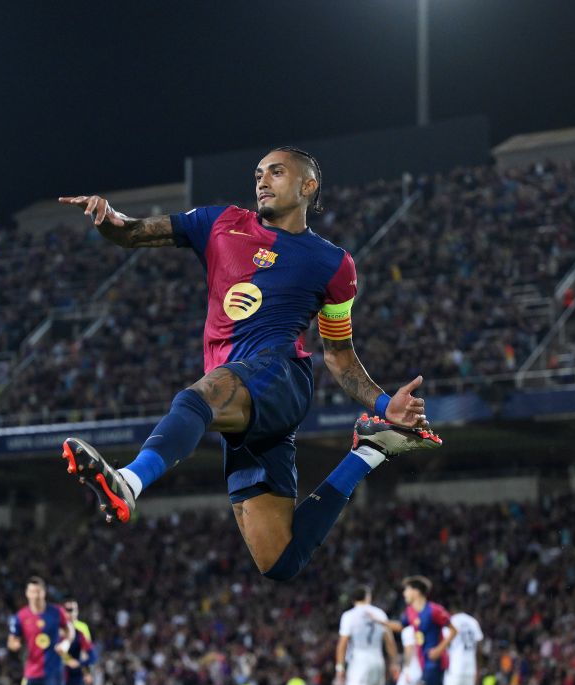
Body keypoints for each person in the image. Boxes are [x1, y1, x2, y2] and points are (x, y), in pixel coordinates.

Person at [57, 147, 441, 582]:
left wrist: (385, 402)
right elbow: (132, 233)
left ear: (308, 186)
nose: (262, 181)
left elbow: (338, 354)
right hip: (241, 401)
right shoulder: (219, 223)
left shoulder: (334, 264)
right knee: (278, 560)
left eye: (276, 172)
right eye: (258, 174)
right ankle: (370, 451)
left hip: (280, 377)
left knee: (197, 397)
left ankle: (130, 480)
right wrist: (109, 218)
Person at [401, 575, 470, 685]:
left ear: (416, 591)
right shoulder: (410, 612)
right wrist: (381, 622)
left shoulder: (434, 610)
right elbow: (400, 625)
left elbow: (454, 630)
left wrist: (440, 649)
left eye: (407, 589)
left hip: (436, 663)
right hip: (425, 663)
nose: (404, 593)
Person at [334, 584, 399, 685]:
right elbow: (389, 641)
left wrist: (340, 667)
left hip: (359, 661)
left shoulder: (349, 616)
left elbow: (343, 643)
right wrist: (394, 662)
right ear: (368, 597)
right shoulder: (379, 613)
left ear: (353, 599)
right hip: (378, 659)